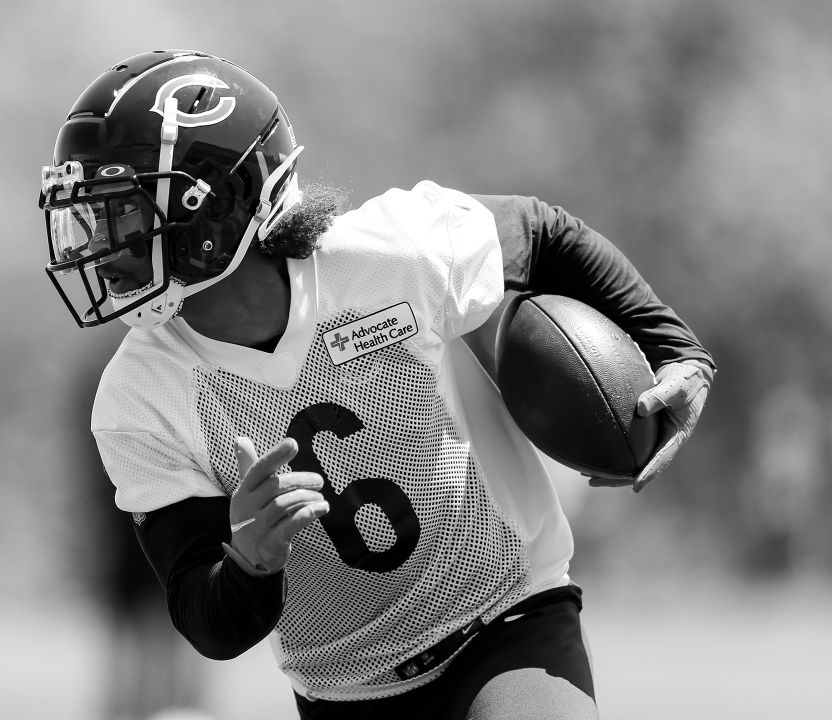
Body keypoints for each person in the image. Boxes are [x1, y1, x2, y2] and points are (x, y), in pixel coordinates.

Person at [38, 50, 714, 719]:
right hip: (347, 691)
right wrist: (249, 563)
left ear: (207, 213)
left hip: (506, 614)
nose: (91, 241)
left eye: (120, 211)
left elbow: (544, 235)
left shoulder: (390, 254)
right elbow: (207, 619)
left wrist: (675, 349)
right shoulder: (139, 394)